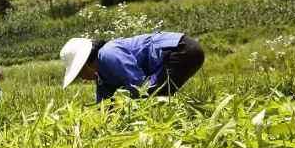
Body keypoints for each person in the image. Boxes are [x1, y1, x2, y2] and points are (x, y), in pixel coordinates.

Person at [60, 32, 205, 102]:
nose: (82, 79)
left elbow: (139, 86)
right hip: (184, 50)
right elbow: (103, 105)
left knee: (151, 95)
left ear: (85, 66)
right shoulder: (102, 76)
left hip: (182, 49)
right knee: (154, 96)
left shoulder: (108, 53)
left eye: (79, 75)